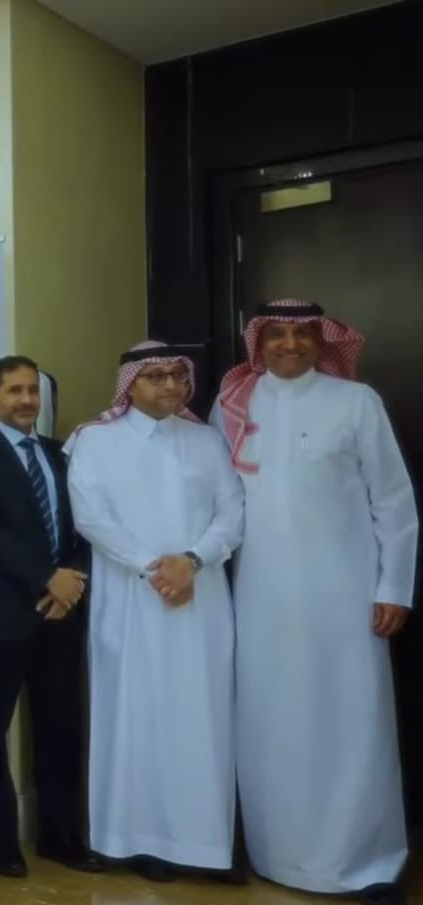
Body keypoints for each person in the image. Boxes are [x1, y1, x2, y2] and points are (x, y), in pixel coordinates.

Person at [213, 300, 416, 905]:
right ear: (259, 342)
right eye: (276, 335)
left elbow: (394, 502)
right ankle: (277, 855)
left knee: (351, 723)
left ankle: (366, 863)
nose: (289, 345)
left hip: (345, 598)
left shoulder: (357, 402)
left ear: (322, 341)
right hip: (259, 598)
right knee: (271, 723)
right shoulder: (233, 404)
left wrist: (393, 587)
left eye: (302, 334)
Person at [65, 340, 243, 883]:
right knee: (136, 716)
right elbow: (91, 518)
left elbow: (232, 511)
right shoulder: (95, 441)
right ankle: (140, 842)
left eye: (177, 376)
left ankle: (206, 846)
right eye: (155, 376)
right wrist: (154, 568)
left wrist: (192, 560)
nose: (169, 385)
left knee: (202, 717)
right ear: (130, 385)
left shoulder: (206, 440)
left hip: (201, 598)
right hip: (131, 601)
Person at [0, 355, 100, 878]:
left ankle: (60, 835)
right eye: (14, 391)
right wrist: (45, 578)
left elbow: (86, 524)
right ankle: (2, 838)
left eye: (33, 390)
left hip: (62, 613)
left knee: (61, 725)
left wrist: (71, 581)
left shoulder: (61, 455)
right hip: (2, 615)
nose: (26, 400)